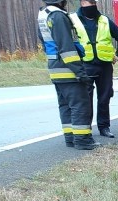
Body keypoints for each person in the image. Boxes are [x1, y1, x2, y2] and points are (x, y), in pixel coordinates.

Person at [38, 0, 100, 150]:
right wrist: (80, 72)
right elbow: (67, 48)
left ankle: (70, 138)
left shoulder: (44, 14)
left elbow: (44, 42)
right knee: (80, 105)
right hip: (67, 69)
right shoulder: (58, 16)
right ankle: (83, 140)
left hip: (55, 68)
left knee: (65, 105)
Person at [70, 0, 118, 139]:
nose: (91, 6)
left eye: (93, 3)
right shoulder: (73, 19)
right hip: (85, 65)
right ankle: (85, 128)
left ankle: (104, 127)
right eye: (88, 3)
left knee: (105, 97)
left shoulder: (104, 20)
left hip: (105, 65)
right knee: (85, 98)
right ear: (81, 3)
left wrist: (117, 54)